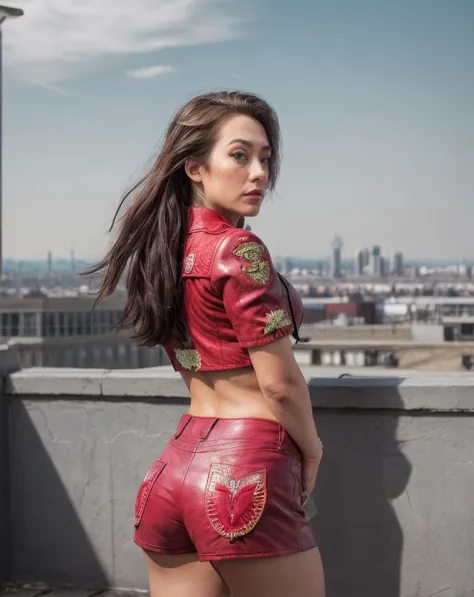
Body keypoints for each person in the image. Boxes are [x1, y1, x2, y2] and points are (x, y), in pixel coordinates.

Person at [87, 91, 325, 597]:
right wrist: (313, 449)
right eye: (239, 155)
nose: (259, 172)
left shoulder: (163, 250)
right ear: (194, 167)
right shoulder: (239, 248)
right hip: (244, 476)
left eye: (265, 158)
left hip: (172, 472)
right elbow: (279, 385)